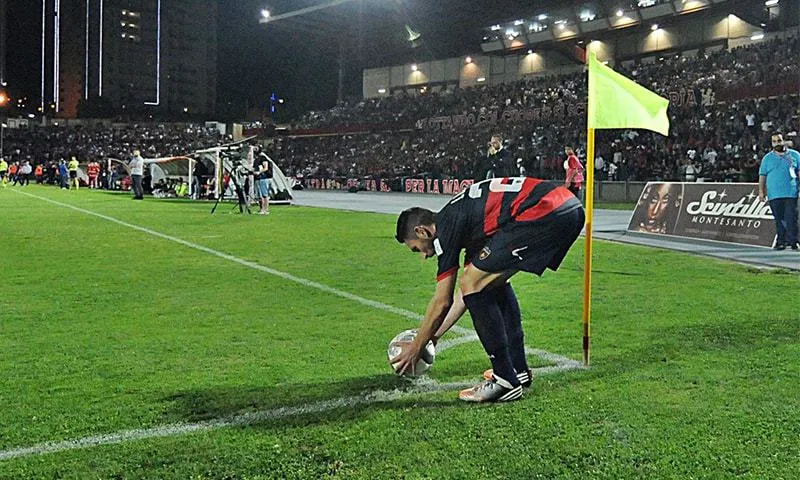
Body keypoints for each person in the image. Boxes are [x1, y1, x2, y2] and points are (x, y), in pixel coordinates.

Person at [391, 177, 585, 403]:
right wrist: (433, 336)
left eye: (417, 249)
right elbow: (467, 294)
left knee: (475, 282)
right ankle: (517, 369)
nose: (424, 256)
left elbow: (443, 301)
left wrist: (417, 346)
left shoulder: (446, 230)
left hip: (544, 211)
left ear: (422, 231)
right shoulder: (465, 221)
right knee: (486, 282)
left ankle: (505, 381)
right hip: (566, 207)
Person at [758, 134, 799, 250]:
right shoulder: (767, 158)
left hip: (791, 192)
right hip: (774, 193)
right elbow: (762, 176)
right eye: (774, 141)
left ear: (783, 141)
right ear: (772, 143)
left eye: (779, 140)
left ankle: (794, 242)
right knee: (779, 219)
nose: (777, 143)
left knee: (791, 218)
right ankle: (781, 241)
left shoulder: (795, 155)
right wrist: (761, 191)